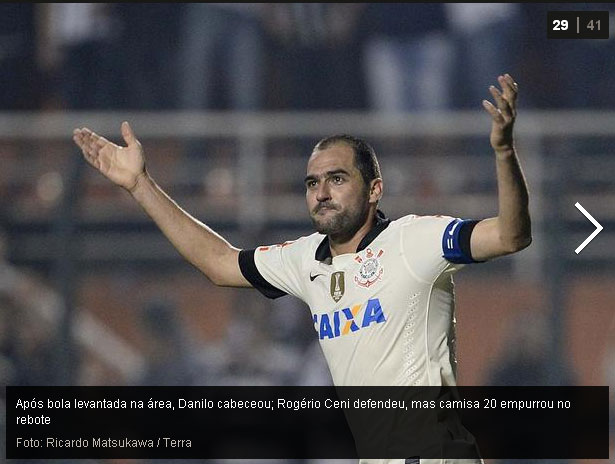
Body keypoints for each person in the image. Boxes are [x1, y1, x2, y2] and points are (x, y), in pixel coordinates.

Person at [73, 74, 531, 461]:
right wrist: (140, 185)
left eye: (337, 178)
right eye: (312, 182)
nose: (321, 192)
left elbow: (511, 235)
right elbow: (219, 263)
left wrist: (504, 153)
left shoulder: (413, 240)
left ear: (374, 190)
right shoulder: (304, 258)